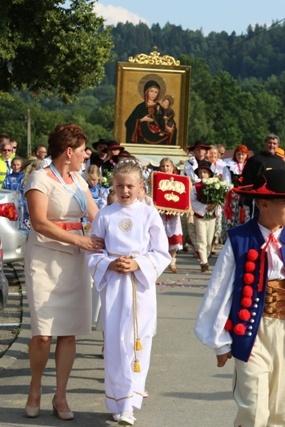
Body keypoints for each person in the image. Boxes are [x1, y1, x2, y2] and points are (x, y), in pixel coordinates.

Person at [194, 170, 285, 427]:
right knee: (254, 407)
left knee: (281, 408)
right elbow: (219, 291)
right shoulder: (240, 239)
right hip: (252, 334)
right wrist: (221, 342)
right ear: (264, 203)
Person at [23, 123, 104, 420]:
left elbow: (96, 216)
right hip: (44, 259)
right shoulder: (39, 178)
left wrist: (129, 226)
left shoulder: (79, 181)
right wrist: (79, 239)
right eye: (83, 149)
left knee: (68, 334)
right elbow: (39, 222)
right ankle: (34, 389)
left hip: (74, 261)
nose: (87, 154)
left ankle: (61, 395)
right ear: (68, 152)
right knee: (43, 334)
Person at [86, 160, 171, 425]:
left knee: (138, 339)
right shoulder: (106, 214)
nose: (125, 191)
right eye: (119, 185)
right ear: (112, 185)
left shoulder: (148, 214)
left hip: (139, 284)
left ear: (141, 187)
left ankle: (131, 401)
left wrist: (138, 263)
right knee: (114, 341)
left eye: (130, 186)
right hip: (114, 282)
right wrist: (110, 262)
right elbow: (94, 249)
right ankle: (118, 401)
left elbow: (161, 252)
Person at [125, 79, 176, 145]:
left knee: (173, 131)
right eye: (151, 91)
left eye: (156, 92)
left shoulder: (159, 107)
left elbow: (163, 120)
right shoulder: (141, 107)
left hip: (158, 133)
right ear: (146, 92)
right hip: (143, 134)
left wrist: (168, 127)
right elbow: (129, 122)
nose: (153, 94)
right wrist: (142, 120)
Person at [157, 158, 184, 273]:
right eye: (163, 166)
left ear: (172, 167)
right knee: (160, 236)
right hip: (160, 213)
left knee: (174, 236)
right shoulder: (156, 178)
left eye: (167, 166)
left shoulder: (179, 180)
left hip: (174, 213)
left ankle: (172, 261)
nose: (165, 168)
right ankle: (161, 261)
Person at [191, 161, 218, 273]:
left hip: (211, 216)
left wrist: (215, 206)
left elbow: (219, 200)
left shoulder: (215, 185)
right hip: (200, 216)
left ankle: (205, 256)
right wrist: (205, 207)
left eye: (205, 172)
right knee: (201, 239)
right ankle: (204, 262)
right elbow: (192, 201)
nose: (202, 174)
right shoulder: (195, 187)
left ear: (209, 174)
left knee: (208, 240)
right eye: (201, 172)